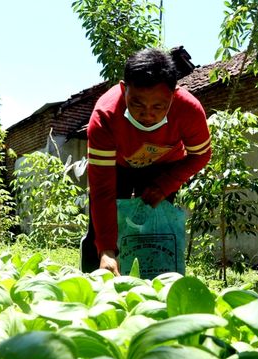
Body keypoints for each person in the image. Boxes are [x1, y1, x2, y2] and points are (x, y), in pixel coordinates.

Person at [81, 48, 212, 274]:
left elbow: (200, 154)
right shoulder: (105, 116)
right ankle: (96, 281)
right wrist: (106, 250)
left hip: (164, 168)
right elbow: (102, 190)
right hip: (117, 168)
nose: (147, 114)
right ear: (124, 90)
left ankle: (156, 288)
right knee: (100, 234)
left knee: (154, 229)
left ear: (174, 94)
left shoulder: (188, 110)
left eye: (158, 106)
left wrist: (166, 184)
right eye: (137, 104)